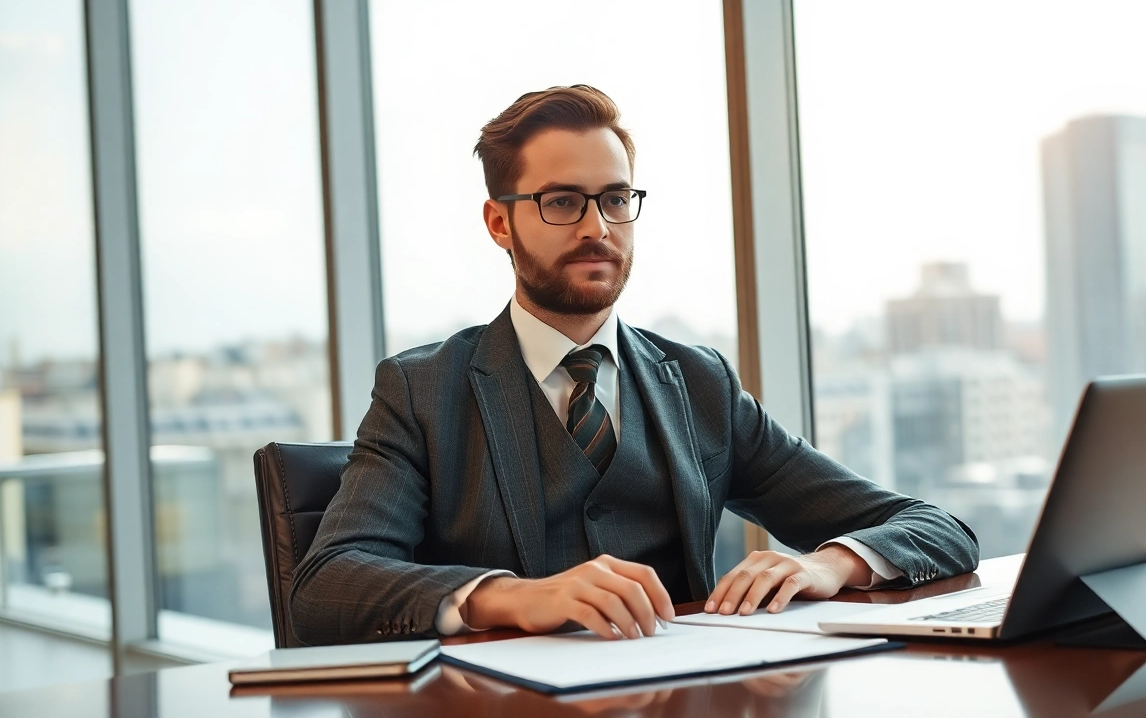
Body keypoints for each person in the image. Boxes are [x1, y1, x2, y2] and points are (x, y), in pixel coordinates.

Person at [290, 85, 979, 645]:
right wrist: (512, 598)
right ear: (499, 223)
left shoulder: (701, 382)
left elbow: (934, 527)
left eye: (616, 199)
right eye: (562, 202)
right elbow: (325, 584)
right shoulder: (421, 390)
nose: (598, 228)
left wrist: (828, 564)